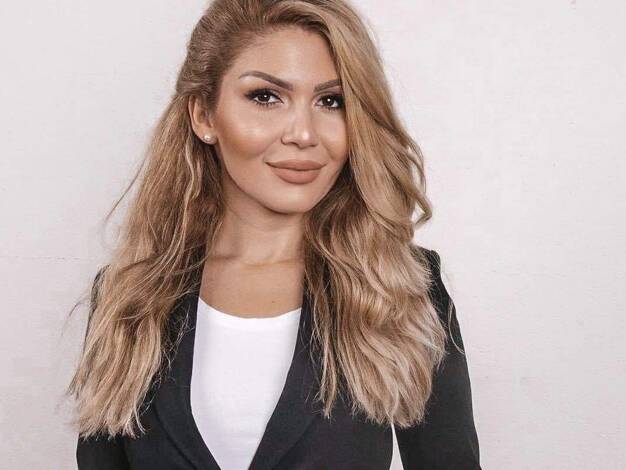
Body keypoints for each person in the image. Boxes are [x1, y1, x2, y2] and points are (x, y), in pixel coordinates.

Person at [66, 0, 481, 468]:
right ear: (204, 116)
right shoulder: (129, 294)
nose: (304, 133)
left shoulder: (402, 288)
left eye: (332, 101)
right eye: (266, 97)